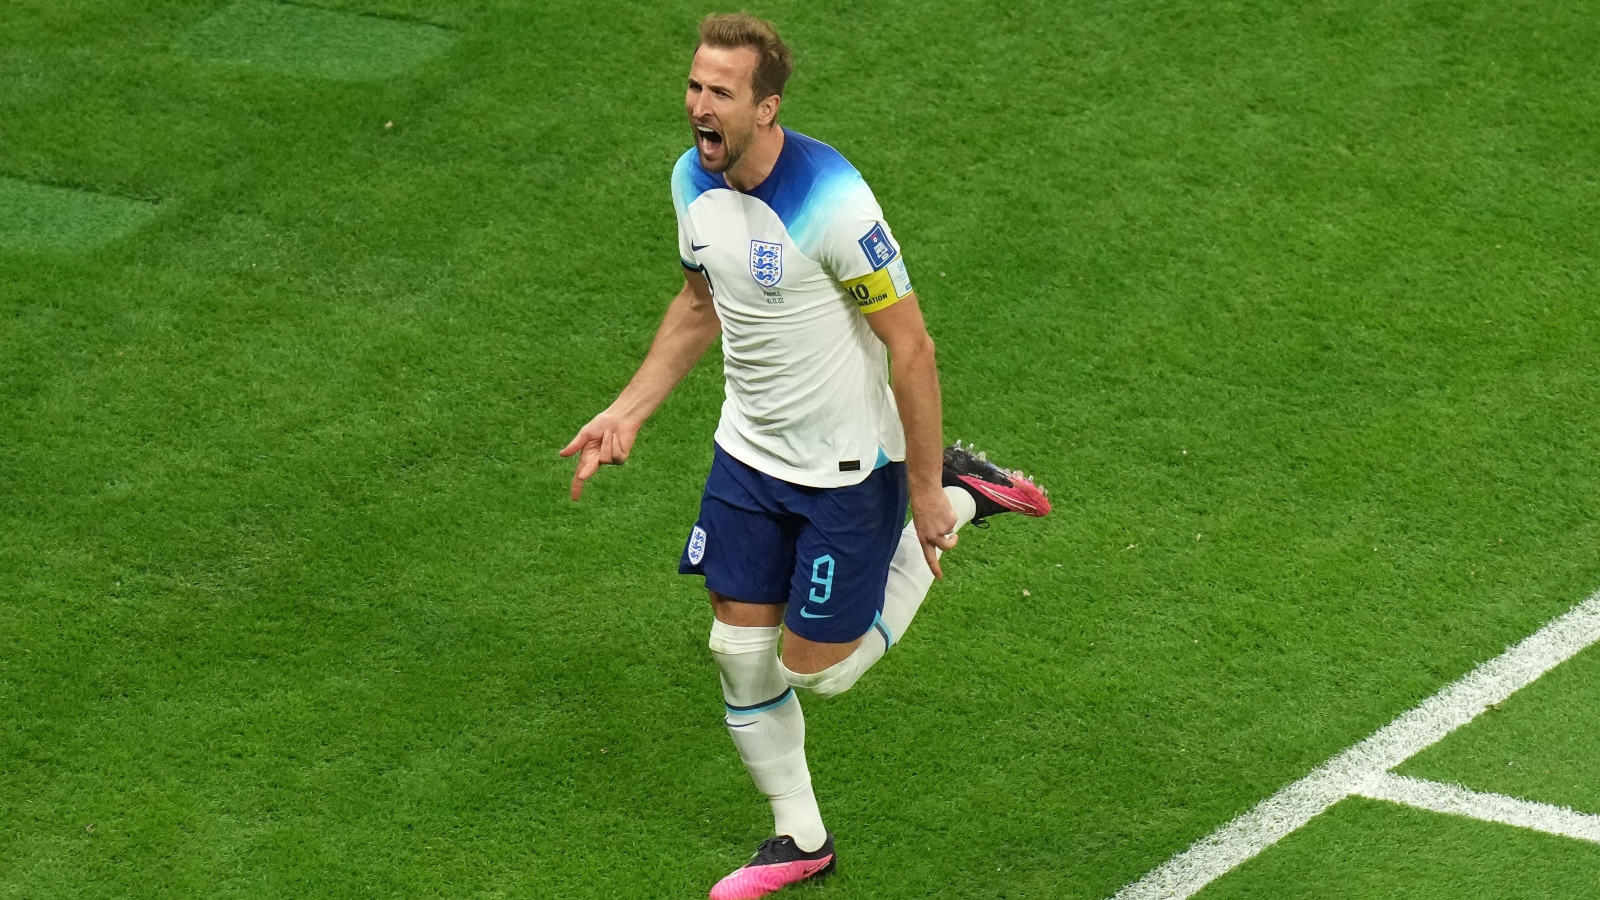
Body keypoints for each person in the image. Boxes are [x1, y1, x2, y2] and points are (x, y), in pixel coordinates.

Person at [560, 13, 1050, 899]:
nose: (698, 107)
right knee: (735, 651)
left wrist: (927, 490)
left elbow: (913, 348)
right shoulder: (691, 181)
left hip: (849, 472)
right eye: (694, 87)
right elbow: (699, 302)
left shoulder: (834, 201)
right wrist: (627, 410)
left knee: (817, 673)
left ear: (767, 106)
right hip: (747, 457)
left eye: (720, 93)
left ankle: (964, 491)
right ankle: (801, 840)